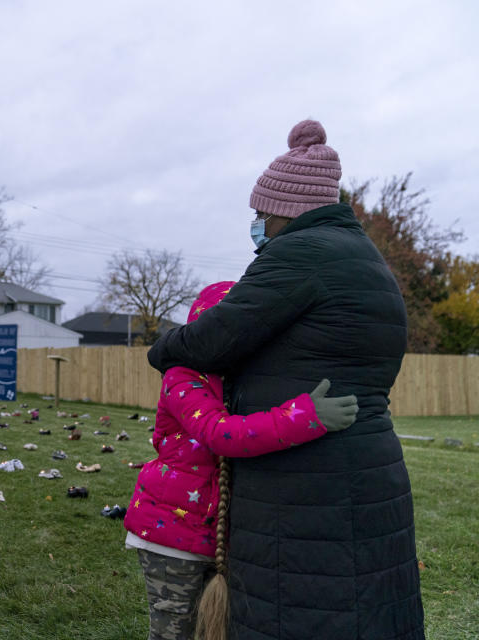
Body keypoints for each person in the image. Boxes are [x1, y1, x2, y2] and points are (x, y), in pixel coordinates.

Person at [148, 120, 424, 639]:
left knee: (303, 612)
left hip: (305, 484)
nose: (257, 226)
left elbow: (214, 340)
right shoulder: (366, 259)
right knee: (369, 610)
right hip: (364, 467)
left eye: (260, 214)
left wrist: (164, 349)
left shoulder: (301, 252)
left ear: (284, 210)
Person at [124, 281, 359, 640]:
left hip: (220, 541)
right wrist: (304, 417)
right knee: (174, 632)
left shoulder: (241, 380)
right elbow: (221, 433)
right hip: (171, 535)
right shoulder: (182, 378)